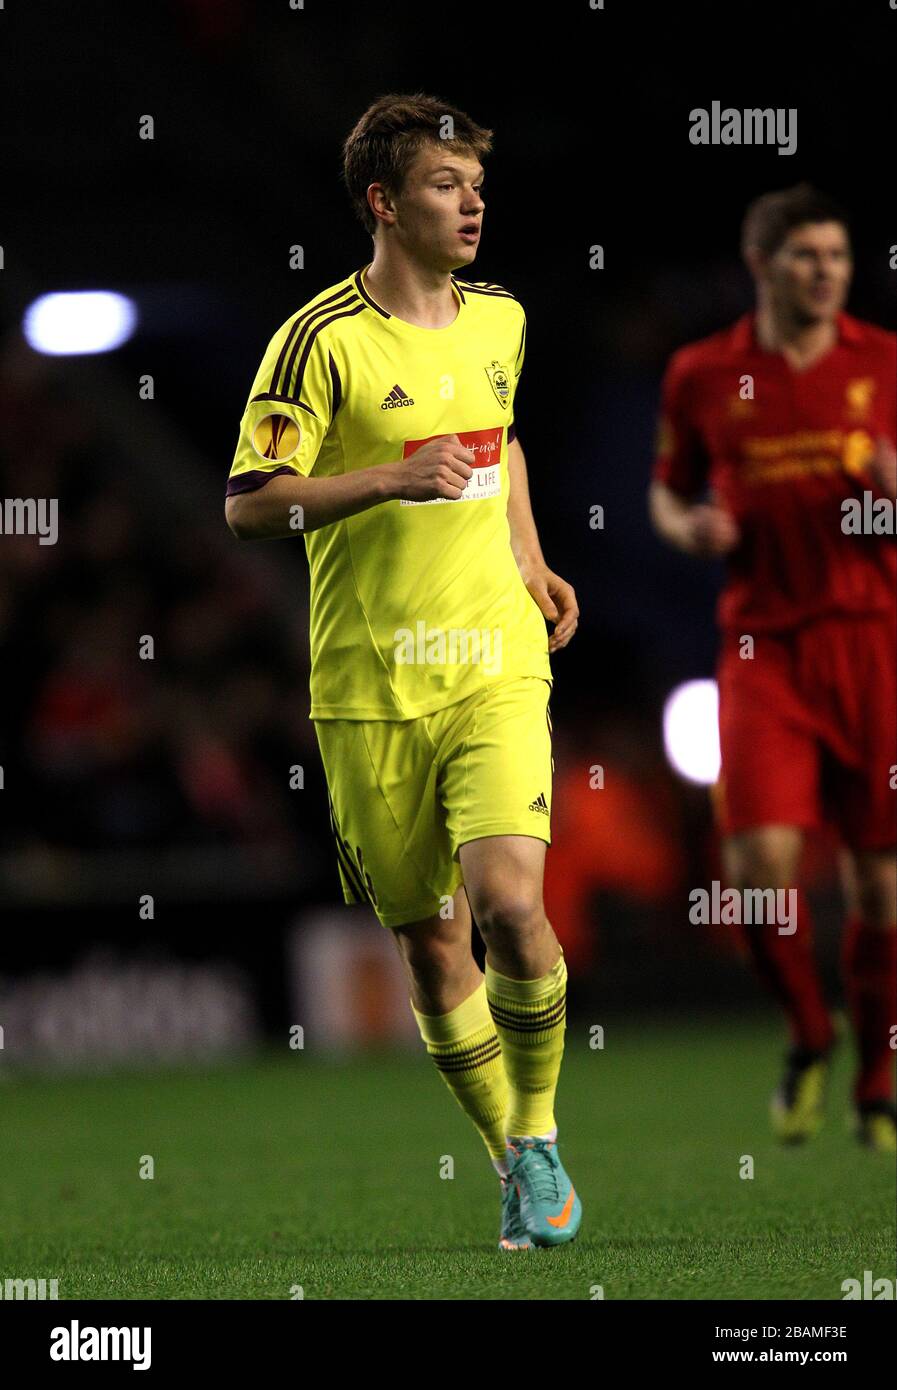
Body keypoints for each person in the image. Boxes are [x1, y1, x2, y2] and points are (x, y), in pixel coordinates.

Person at [225, 93, 582, 1244]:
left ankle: (538, 1130)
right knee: (433, 944)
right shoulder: (319, 340)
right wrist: (383, 476)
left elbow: (502, 435)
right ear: (384, 203)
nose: (472, 201)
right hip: (370, 684)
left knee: (512, 904)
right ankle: (508, 1158)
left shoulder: (503, 318)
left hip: (491, 657)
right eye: (445, 183)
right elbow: (248, 506)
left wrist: (529, 556)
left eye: (476, 182)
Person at [650, 184, 896, 1151]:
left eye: (837, 254)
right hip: (761, 652)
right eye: (806, 256)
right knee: (757, 874)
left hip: (874, 641)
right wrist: (689, 529)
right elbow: (666, 496)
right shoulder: (702, 374)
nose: (827, 270)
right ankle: (806, 1031)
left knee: (881, 887)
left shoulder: (883, 360)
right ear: (760, 265)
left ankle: (875, 1085)